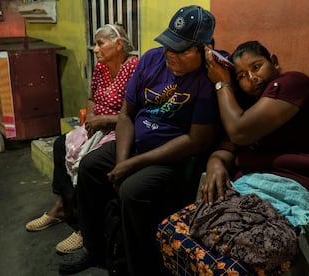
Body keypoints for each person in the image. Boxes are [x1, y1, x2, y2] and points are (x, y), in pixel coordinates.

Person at [58, 5, 219, 275]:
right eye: (169, 46)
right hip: (136, 143)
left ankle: (137, 268)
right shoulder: (151, 60)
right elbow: (126, 115)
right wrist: (122, 162)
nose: (171, 56)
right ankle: (95, 248)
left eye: (181, 50)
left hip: (171, 158)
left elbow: (195, 141)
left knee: (132, 191)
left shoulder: (207, 77)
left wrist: (132, 166)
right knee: (90, 167)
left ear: (204, 49)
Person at [25, 23, 139, 254]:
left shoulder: (134, 68)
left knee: (90, 163)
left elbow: (134, 113)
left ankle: (86, 229)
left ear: (118, 45)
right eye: (94, 44)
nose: (95, 49)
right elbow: (91, 98)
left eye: (100, 44)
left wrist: (104, 121)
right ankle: (62, 207)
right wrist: (91, 119)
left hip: (120, 128)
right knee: (60, 144)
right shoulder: (101, 67)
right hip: (98, 125)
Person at [201, 40, 309, 206]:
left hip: (295, 185)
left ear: (274, 62)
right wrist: (215, 161)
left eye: (256, 67)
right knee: (178, 226)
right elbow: (228, 147)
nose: (253, 78)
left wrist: (221, 84)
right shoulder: (247, 105)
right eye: (242, 76)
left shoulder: (293, 83)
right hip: (249, 186)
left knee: (231, 227)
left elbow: (239, 132)